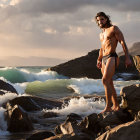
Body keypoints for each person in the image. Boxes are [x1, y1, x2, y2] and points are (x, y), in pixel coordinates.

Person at [95, 12, 132, 113]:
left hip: (112, 56)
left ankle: (108, 107)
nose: (100, 22)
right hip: (104, 58)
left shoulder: (114, 29)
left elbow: (122, 42)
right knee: (109, 83)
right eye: (98, 20)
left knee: (105, 80)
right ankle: (116, 106)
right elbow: (102, 48)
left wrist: (127, 58)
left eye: (102, 19)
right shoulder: (101, 34)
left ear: (106, 19)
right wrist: (99, 59)